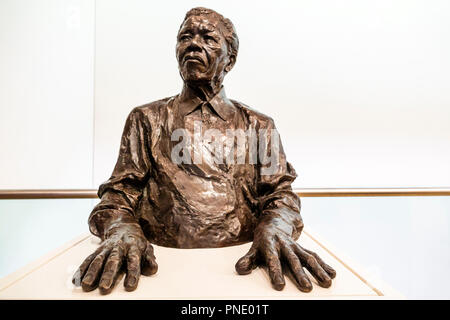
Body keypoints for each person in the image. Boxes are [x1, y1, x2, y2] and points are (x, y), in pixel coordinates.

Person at [72, 7, 336, 295]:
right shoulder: (146, 119)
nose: (194, 43)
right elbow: (118, 197)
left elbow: (281, 197)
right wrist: (121, 228)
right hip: (165, 272)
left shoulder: (258, 126)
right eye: (185, 36)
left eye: (208, 38)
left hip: (240, 273)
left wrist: (275, 226)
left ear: (230, 59)